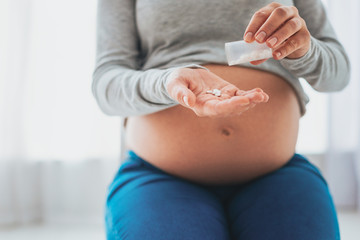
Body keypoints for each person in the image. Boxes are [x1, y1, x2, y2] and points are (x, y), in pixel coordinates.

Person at [92, 0, 350, 239]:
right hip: (157, 177)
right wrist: (165, 83)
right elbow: (106, 85)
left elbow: (338, 75)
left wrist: (305, 51)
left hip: (278, 174)